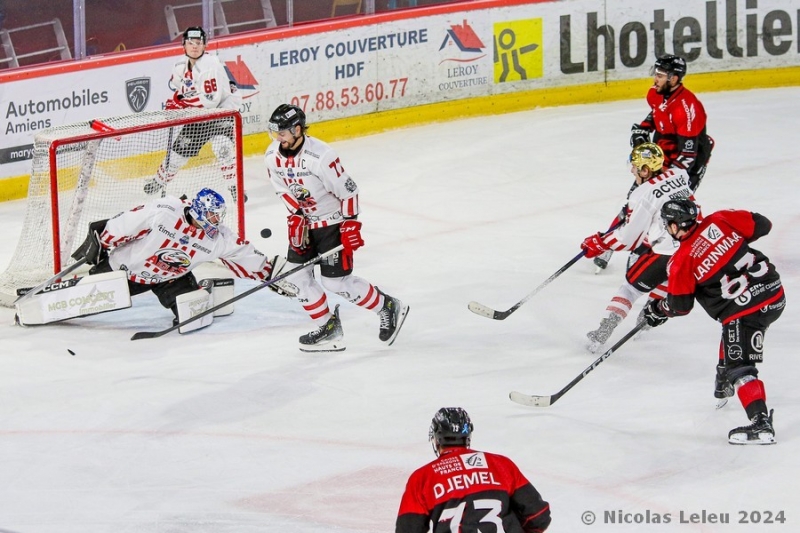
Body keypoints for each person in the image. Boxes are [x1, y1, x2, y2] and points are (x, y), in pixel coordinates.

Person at [263, 103, 409, 352]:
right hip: (304, 225)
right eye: (276, 133)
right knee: (297, 278)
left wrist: (350, 224)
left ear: (298, 130)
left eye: (283, 133)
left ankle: (387, 306)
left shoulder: (321, 156)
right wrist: (295, 216)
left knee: (336, 283)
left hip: (331, 223)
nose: (278, 138)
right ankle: (328, 329)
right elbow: (282, 189)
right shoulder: (272, 155)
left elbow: (349, 191)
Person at [642, 199, 785, 445]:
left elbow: (680, 306)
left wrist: (658, 309)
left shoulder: (681, 261)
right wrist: (726, 245)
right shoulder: (720, 219)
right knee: (733, 335)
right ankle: (723, 382)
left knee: (740, 367)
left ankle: (760, 423)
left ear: (675, 226)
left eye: (668, 224)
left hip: (745, 312)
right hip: (775, 294)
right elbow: (763, 225)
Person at [71, 188, 285, 325]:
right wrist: (102, 242)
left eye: (218, 216)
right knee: (78, 303)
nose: (216, 220)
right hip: (125, 272)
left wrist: (269, 272)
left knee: (194, 317)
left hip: (170, 278)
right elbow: (126, 223)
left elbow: (242, 253)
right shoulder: (165, 212)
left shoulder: (217, 238)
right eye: (212, 215)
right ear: (199, 211)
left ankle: (203, 290)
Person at [594, 54, 714, 273]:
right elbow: (656, 114)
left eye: (660, 75)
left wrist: (662, 181)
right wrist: (643, 130)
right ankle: (609, 243)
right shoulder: (657, 93)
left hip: (688, 166)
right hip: (661, 158)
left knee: (669, 212)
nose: (655, 79)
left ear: (674, 78)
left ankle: (650, 256)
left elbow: (688, 155)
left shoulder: (687, 108)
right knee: (633, 202)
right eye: (656, 74)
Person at [580, 143, 695, 352]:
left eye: (636, 166)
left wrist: (600, 243)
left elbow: (629, 238)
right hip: (693, 249)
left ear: (646, 169)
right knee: (670, 276)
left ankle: (604, 330)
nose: (632, 170)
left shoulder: (642, 194)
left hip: (666, 250)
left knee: (630, 288)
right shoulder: (680, 174)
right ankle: (645, 320)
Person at [396, 407, 551, 533]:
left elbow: (408, 529)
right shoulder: (500, 464)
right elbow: (539, 516)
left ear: (436, 439)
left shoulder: (422, 477)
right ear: (467, 436)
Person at [144, 26, 244, 201]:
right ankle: (159, 181)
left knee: (223, 148)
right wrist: (177, 99)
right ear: (184, 44)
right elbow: (179, 88)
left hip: (220, 111)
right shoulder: (179, 66)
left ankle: (236, 188)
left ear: (205, 46)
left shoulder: (210, 65)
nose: (195, 46)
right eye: (191, 42)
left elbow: (210, 101)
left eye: (199, 43)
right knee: (178, 155)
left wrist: (180, 103)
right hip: (198, 115)